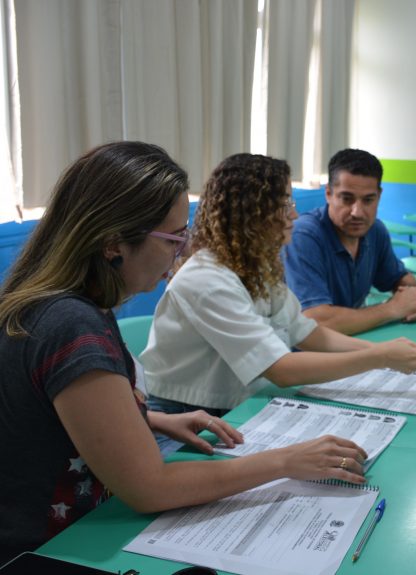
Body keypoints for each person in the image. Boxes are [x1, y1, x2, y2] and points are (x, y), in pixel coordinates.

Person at [0, 142, 371, 564]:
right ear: (112, 243)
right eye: (173, 238)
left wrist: (151, 418)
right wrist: (286, 460)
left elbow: (51, 415)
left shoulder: (68, 307)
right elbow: (150, 486)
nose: (181, 251)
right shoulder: (71, 326)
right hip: (46, 550)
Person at [141, 153, 416, 422]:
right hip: (186, 414)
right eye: (284, 205)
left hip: (234, 403)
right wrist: (380, 357)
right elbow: (280, 369)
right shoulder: (206, 279)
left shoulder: (255, 265)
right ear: (251, 214)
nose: (294, 214)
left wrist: (382, 350)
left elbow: (306, 332)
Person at [284, 148, 416, 335]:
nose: (357, 212)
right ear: (328, 193)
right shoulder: (304, 236)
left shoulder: (375, 230)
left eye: (368, 200)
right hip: (302, 356)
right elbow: (317, 321)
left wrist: (413, 299)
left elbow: (399, 278)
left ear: (379, 196)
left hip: (351, 345)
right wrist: (392, 309)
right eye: (347, 199)